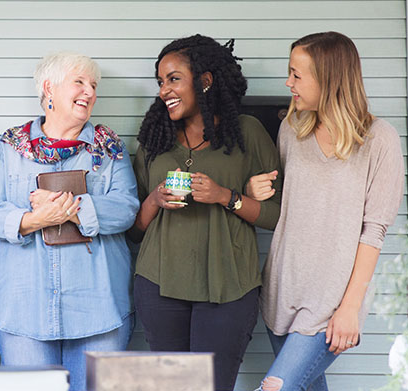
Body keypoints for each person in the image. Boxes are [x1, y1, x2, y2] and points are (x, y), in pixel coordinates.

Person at [0, 52, 139, 391]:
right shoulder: (10, 147)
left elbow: (126, 208)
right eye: (79, 82)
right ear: (49, 88)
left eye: (93, 85)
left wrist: (73, 209)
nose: (89, 92)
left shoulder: (109, 148)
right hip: (24, 310)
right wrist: (35, 219)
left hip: (99, 311)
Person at [250, 32, 404, 391]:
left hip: (330, 304)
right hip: (281, 293)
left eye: (296, 75)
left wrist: (351, 307)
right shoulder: (292, 130)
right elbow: (289, 205)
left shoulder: (380, 140)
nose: (288, 83)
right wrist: (255, 190)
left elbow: (374, 231)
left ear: (328, 79)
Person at [128, 35, 282, 391]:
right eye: (161, 81)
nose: (165, 89)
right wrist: (154, 199)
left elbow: (275, 216)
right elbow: (134, 230)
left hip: (228, 287)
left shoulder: (247, 133)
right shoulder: (154, 140)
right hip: (160, 285)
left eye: (174, 78)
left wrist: (224, 196)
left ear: (205, 80)